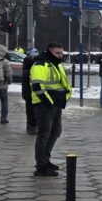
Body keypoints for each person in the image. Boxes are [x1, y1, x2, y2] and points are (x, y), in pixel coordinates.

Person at [29, 43, 72, 177]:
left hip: (56, 104)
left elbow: (62, 84)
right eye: (57, 53)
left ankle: (45, 160)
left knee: (55, 132)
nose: (60, 55)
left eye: (61, 53)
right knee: (44, 134)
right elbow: (37, 85)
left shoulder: (56, 64)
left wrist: (63, 98)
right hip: (44, 104)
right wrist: (48, 102)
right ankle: (41, 166)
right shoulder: (41, 64)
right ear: (49, 52)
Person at [21, 48, 40, 135]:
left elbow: (24, 80)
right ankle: (35, 127)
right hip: (37, 92)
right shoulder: (38, 68)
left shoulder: (26, 70)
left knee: (29, 110)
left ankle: (31, 127)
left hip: (28, 92)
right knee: (37, 110)